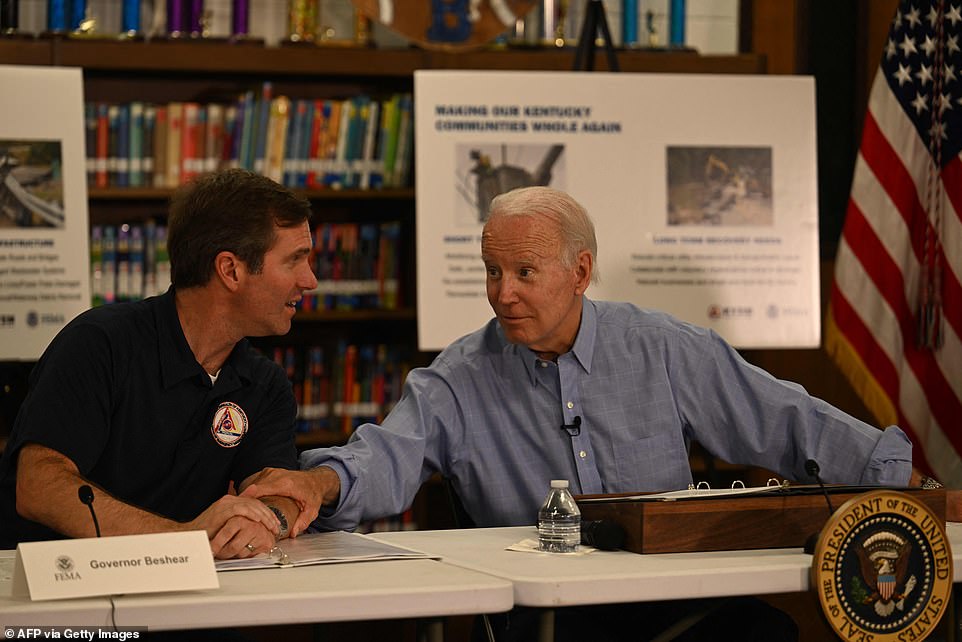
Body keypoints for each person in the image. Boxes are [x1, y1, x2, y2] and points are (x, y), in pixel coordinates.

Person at [245, 186, 954, 639]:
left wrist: (904, 481)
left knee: (761, 633)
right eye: (493, 272)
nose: (503, 293)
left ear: (580, 272)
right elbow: (385, 455)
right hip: (548, 618)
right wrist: (319, 483)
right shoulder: (458, 377)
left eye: (525, 273)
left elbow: (783, 417)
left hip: (676, 604)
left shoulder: (662, 347)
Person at [0, 169, 318, 559]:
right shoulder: (100, 344)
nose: (311, 280)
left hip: (189, 599)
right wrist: (180, 540)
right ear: (230, 270)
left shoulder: (265, 384)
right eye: (295, 260)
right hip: (56, 596)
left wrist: (267, 519)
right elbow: (38, 486)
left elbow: (279, 492)